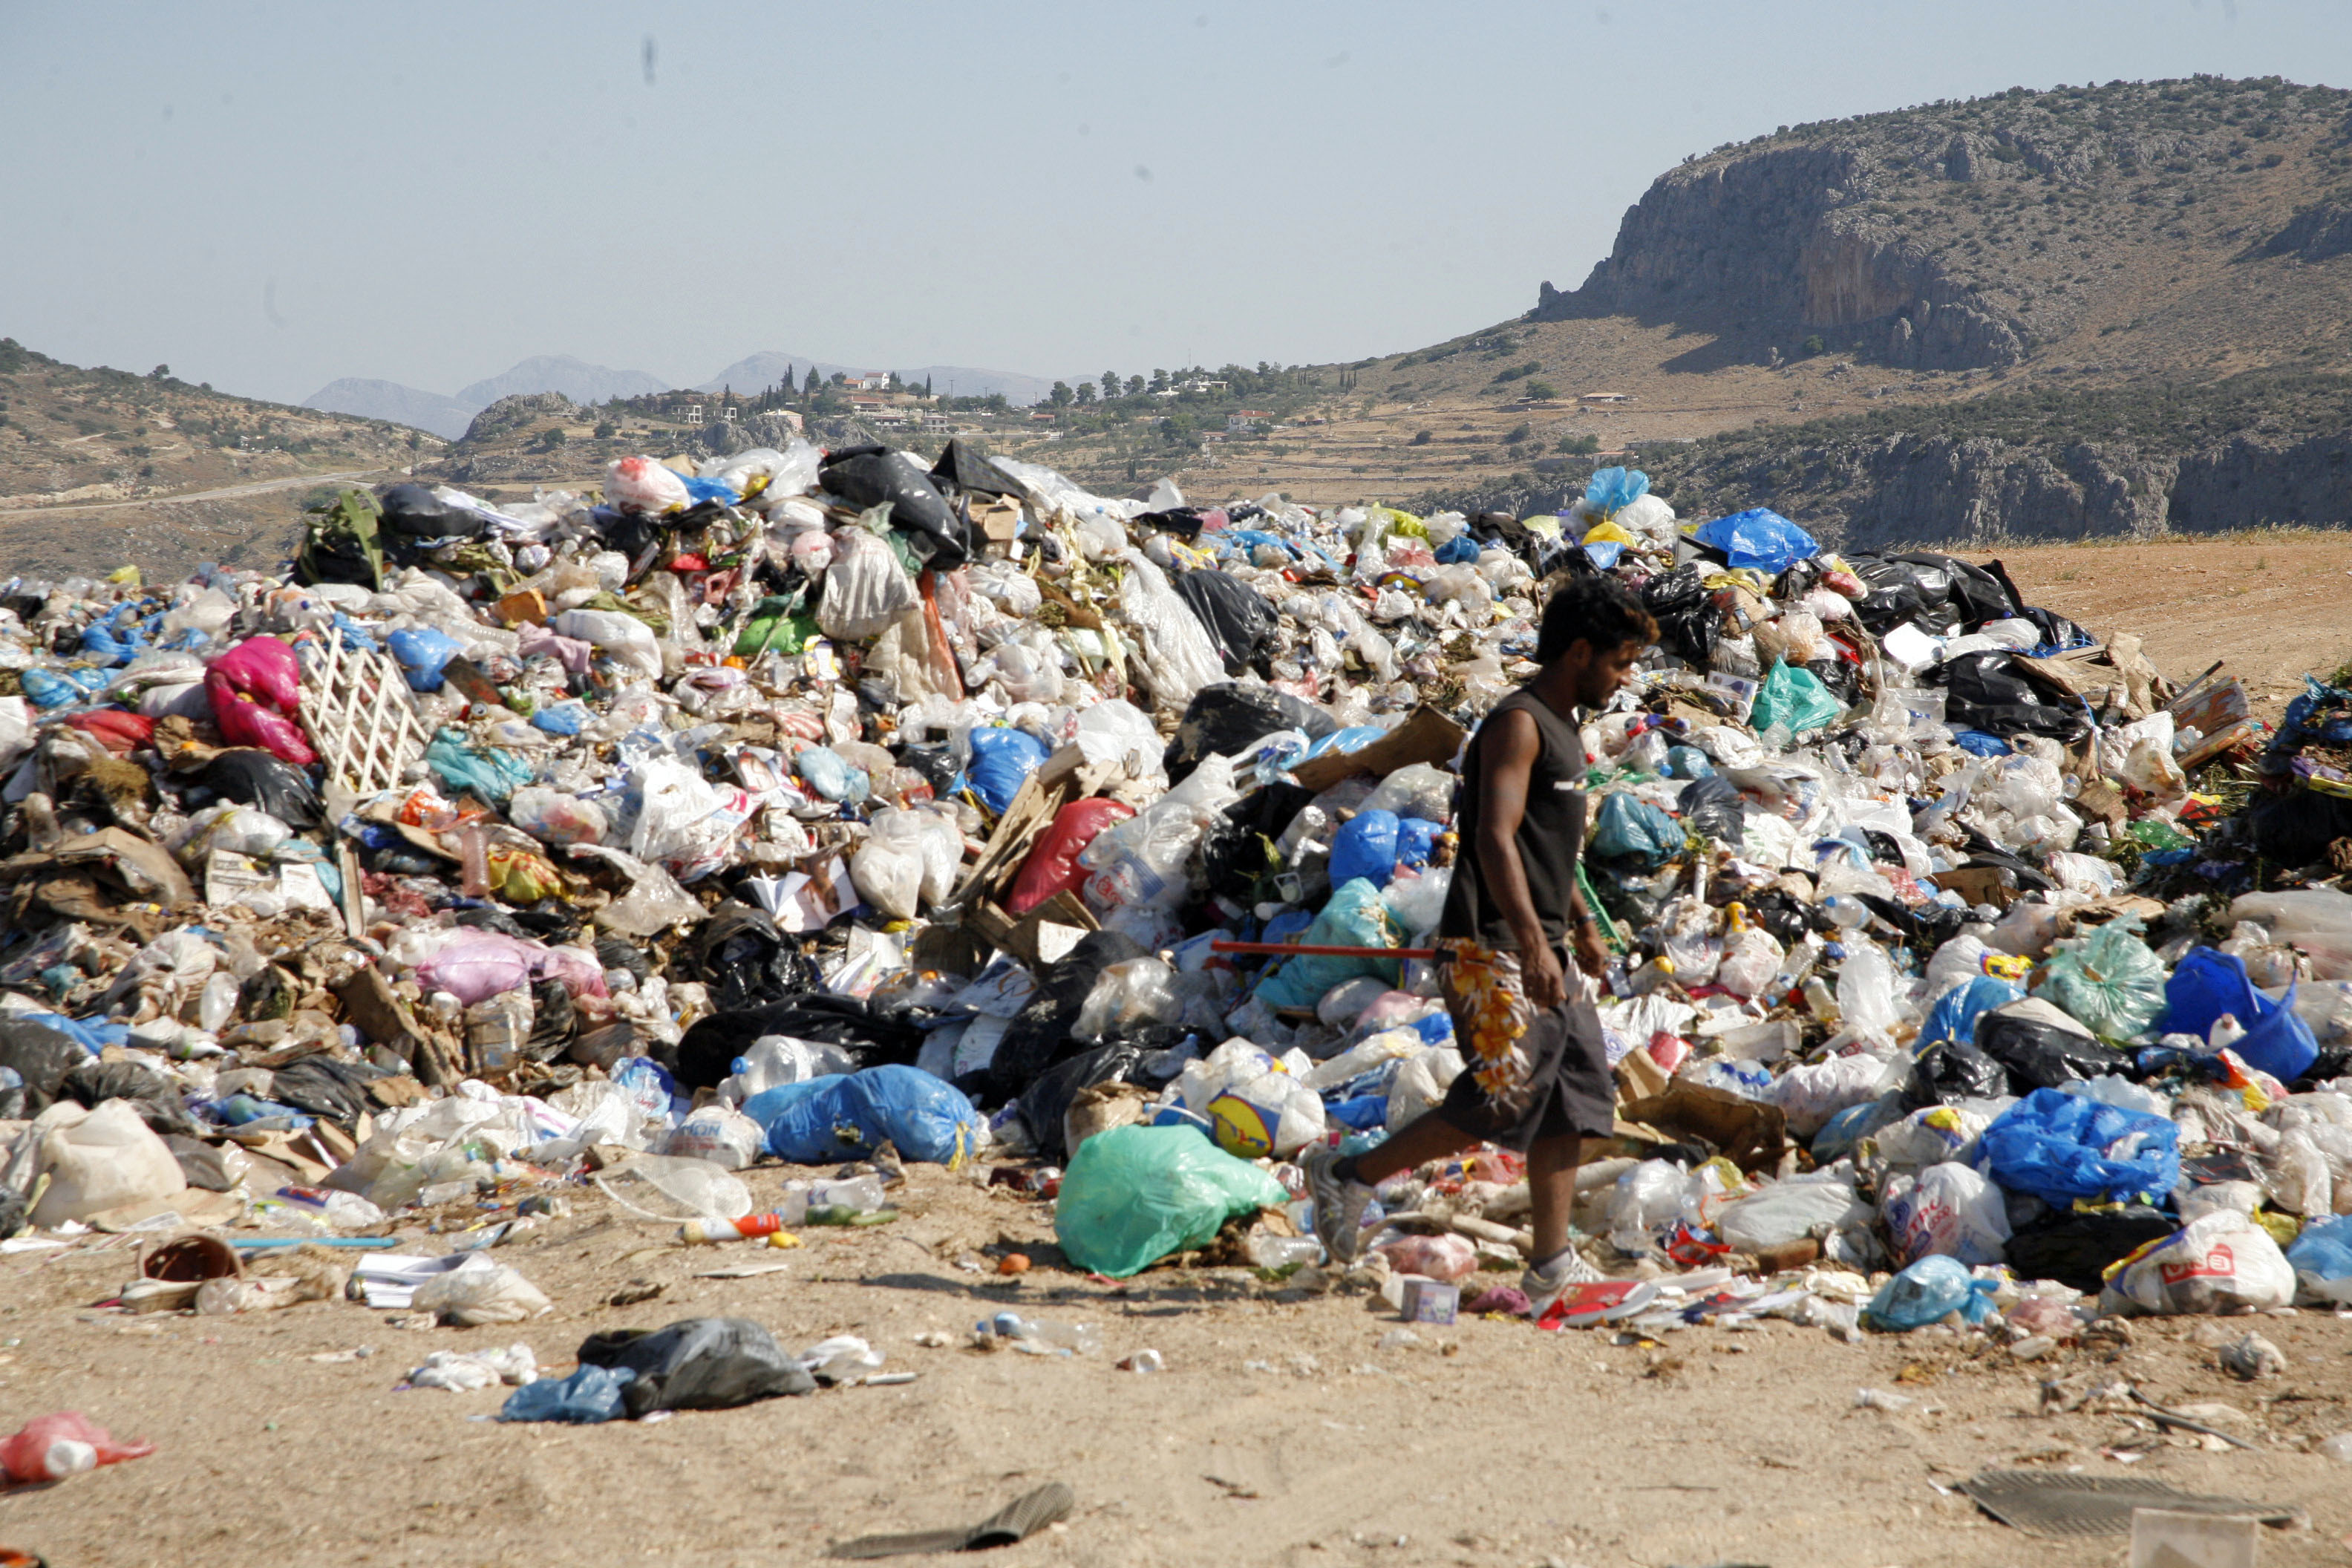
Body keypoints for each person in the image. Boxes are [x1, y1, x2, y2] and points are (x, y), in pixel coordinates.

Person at [1304, 573, 1658, 1304]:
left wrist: (1581, 926)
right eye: (1620, 662)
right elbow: (1494, 838)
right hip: (1488, 947)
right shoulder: (1519, 725)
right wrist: (1532, 943)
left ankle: (1551, 1267)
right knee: (1503, 1099)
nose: (1625, 679)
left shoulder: (1564, 730)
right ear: (1580, 651)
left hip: (1543, 944)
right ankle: (1348, 1175)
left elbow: (1546, 848)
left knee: (1572, 1097)